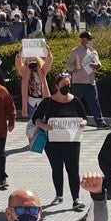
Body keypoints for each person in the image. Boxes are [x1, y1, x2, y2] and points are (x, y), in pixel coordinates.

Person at [31, 72, 90, 210]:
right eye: (63, 85)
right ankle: (59, 195)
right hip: (53, 143)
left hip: (72, 141)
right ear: (56, 86)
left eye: (68, 85)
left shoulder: (75, 101)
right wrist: (43, 126)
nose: (66, 88)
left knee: (73, 169)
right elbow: (36, 119)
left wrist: (83, 123)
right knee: (57, 168)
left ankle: (76, 198)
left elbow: (84, 117)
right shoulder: (48, 102)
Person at [67, 31, 106, 128]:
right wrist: (73, 69)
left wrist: (97, 65)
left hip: (90, 81)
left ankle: (100, 123)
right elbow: (68, 64)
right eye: (86, 39)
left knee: (94, 103)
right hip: (79, 81)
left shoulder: (93, 51)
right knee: (75, 102)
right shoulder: (75, 51)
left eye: (89, 39)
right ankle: (70, 121)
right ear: (82, 39)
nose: (88, 41)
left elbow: (98, 63)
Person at [19, 55, 51, 120]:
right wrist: (19, 55)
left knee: (43, 120)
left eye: (34, 60)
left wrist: (48, 53)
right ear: (26, 62)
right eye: (30, 60)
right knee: (32, 121)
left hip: (42, 100)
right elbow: (18, 64)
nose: (32, 62)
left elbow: (48, 62)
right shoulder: (25, 72)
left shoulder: (42, 70)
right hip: (31, 101)